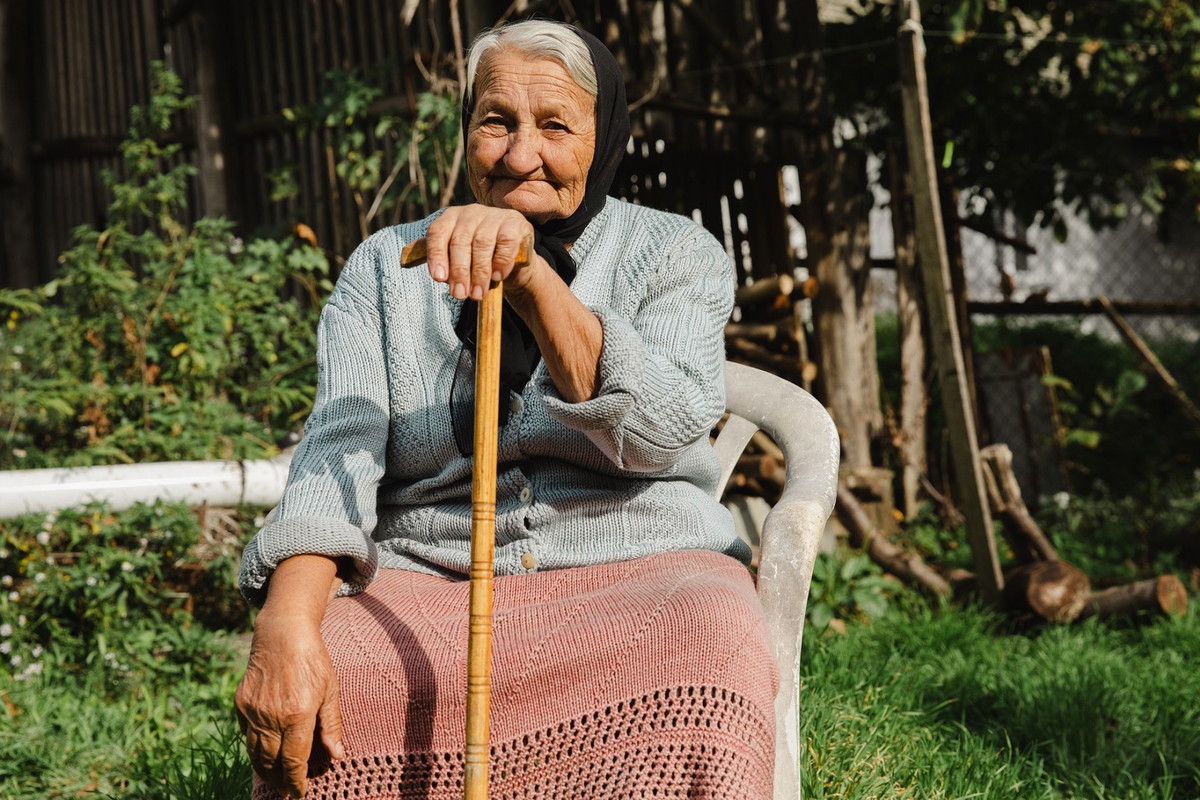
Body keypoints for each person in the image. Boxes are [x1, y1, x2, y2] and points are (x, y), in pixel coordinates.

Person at [235, 19, 777, 800]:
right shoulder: (384, 267)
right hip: (431, 577)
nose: (521, 156)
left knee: (706, 650)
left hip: (642, 567)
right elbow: (335, 455)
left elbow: (660, 434)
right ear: (465, 131)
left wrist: (530, 280)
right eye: (497, 121)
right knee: (335, 677)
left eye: (555, 126)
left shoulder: (674, 252)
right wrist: (285, 621)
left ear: (604, 133)